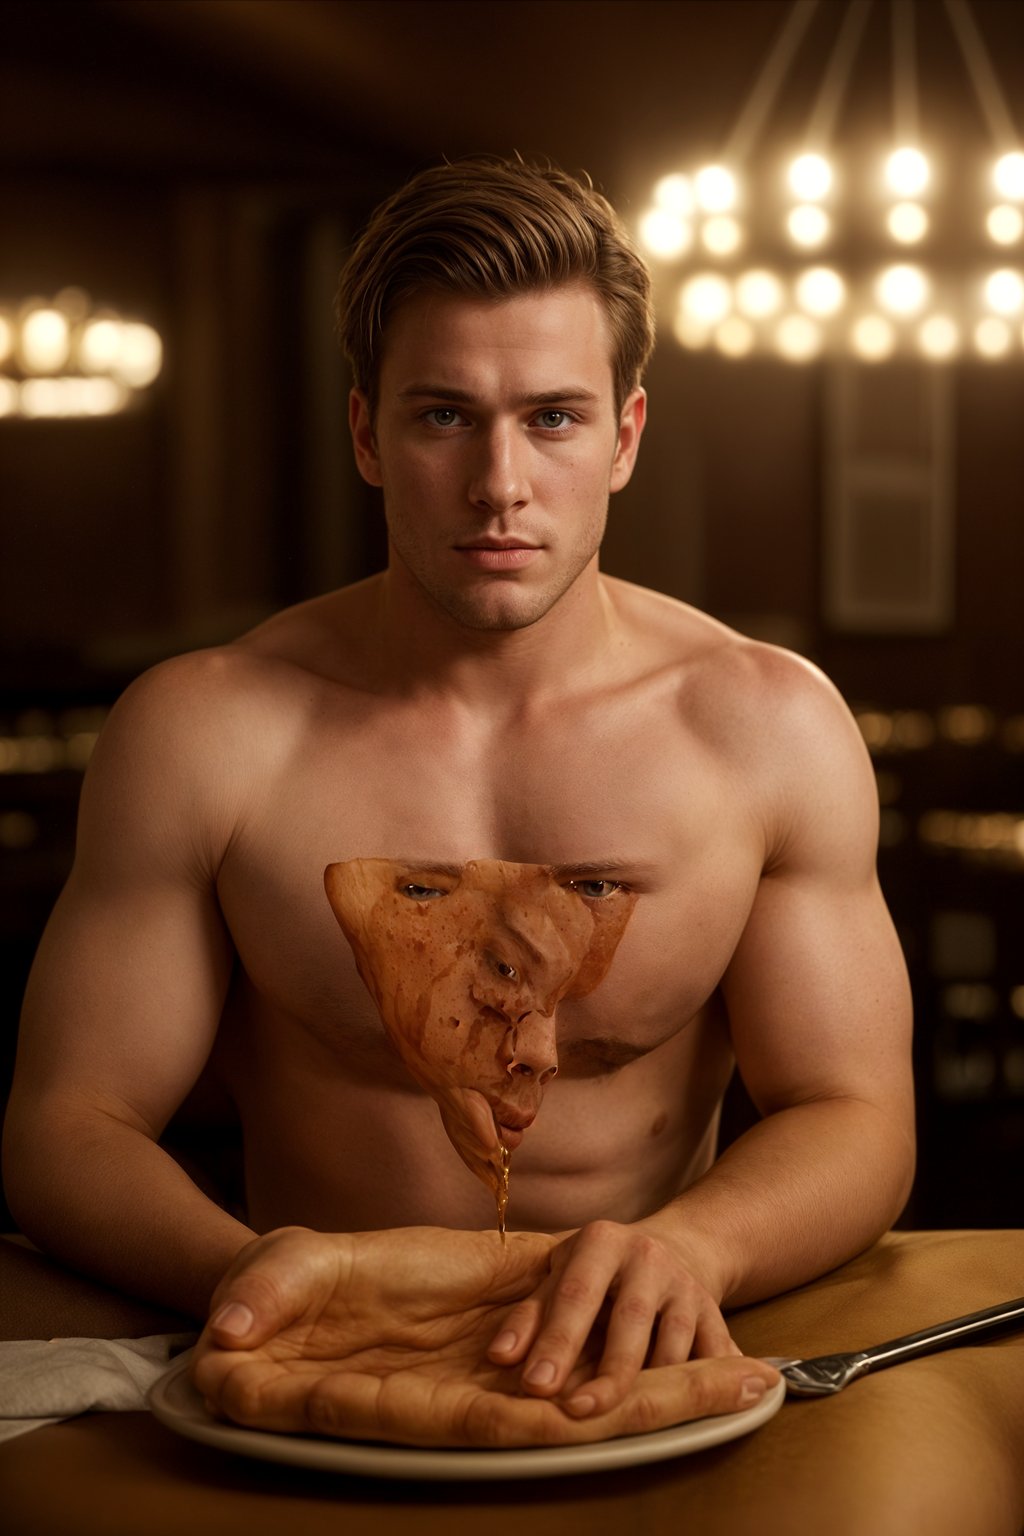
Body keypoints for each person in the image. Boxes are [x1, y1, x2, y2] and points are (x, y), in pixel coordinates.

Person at [3, 156, 914, 1433]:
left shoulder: (765, 729)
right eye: (445, 417)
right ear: (369, 433)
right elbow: (68, 1120)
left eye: (551, 417)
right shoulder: (204, 733)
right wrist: (247, 1276)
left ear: (624, 436)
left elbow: (854, 1110)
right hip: (309, 1378)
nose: (500, 482)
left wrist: (698, 1250)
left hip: (653, 1375)